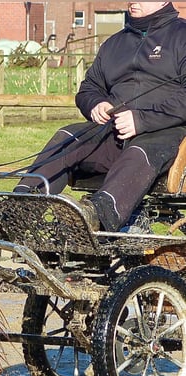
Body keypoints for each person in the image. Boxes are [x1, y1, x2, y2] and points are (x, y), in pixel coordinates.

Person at [14, 2, 186, 232]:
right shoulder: (114, 44)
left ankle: (94, 217)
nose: (132, 1)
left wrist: (141, 120)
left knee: (138, 152)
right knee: (69, 136)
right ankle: (18, 208)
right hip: (112, 132)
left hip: (165, 134)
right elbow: (88, 89)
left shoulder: (181, 37)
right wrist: (96, 104)